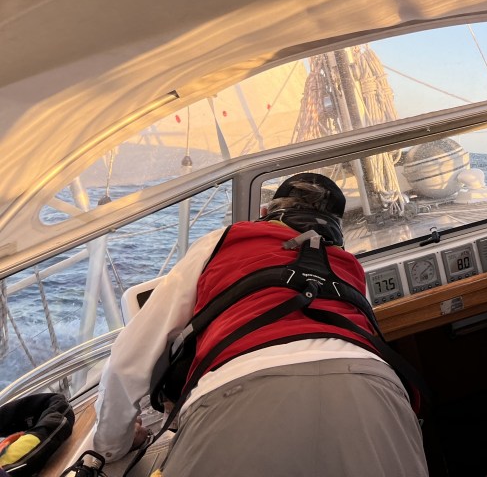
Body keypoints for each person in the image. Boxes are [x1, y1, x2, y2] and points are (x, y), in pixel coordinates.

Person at [89, 172, 427, 476]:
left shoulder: (223, 241)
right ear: (336, 231)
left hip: (239, 390)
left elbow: (128, 362)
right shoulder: (348, 266)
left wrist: (111, 447)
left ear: (265, 213)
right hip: (375, 392)